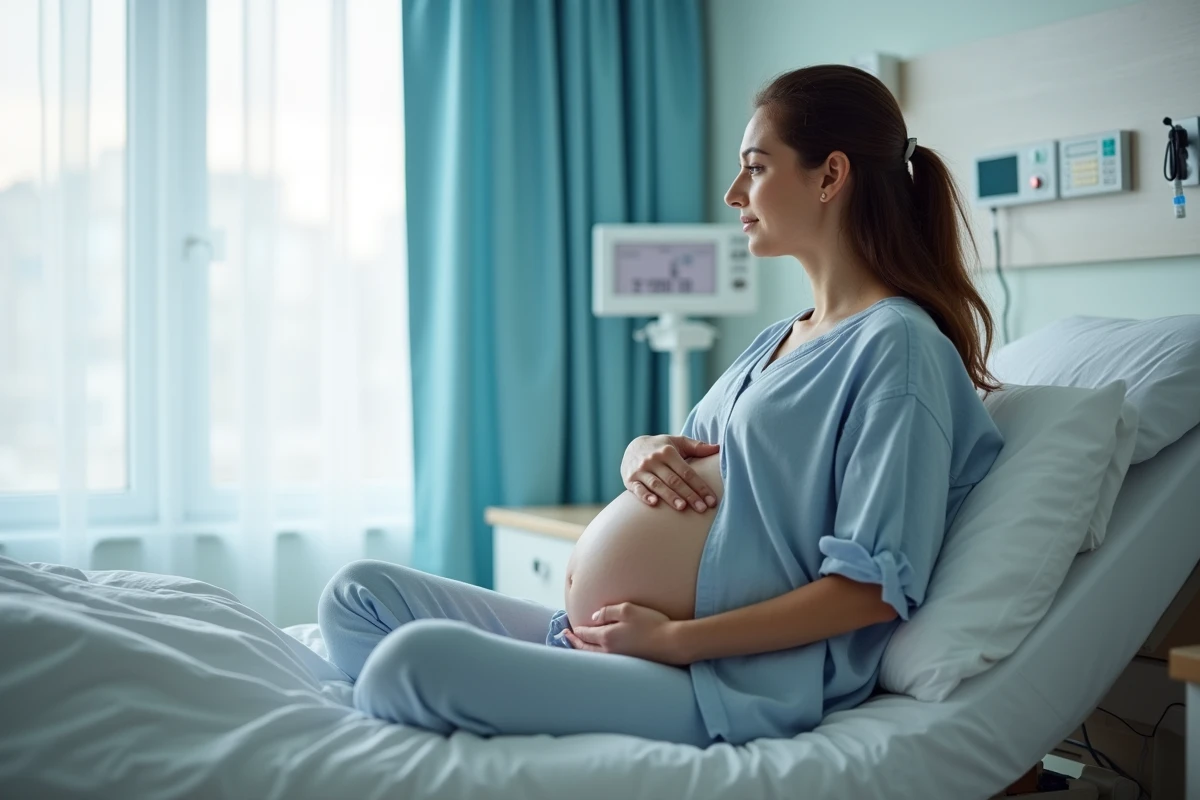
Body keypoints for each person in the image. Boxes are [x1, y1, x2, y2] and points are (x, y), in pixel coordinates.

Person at [317, 64, 1005, 747]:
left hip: (725, 677)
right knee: (356, 596)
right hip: (616, 640)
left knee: (407, 668)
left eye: (756, 168)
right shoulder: (780, 338)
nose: (734, 191)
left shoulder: (898, 346)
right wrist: (642, 450)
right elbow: (696, 470)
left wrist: (676, 640)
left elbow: (872, 589)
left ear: (829, 176)